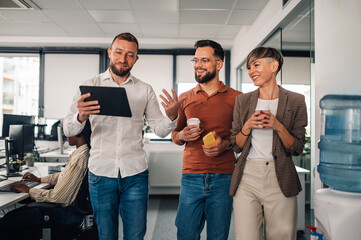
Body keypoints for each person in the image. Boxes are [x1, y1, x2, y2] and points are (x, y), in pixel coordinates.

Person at [63, 32, 183, 240]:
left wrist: (172, 117)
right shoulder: (90, 86)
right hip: (101, 173)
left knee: (135, 235)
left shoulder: (144, 90)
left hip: (135, 173)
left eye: (129, 54)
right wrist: (81, 116)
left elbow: (159, 129)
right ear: (110, 53)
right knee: (105, 235)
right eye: (118, 52)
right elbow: (68, 130)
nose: (123, 58)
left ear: (136, 58)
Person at [229, 47, 307, 240]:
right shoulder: (243, 101)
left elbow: (297, 148)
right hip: (247, 176)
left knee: (282, 236)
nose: (251, 71)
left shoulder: (296, 100)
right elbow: (236, 145)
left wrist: (278, 126)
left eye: (256, 64)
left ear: (274, 66)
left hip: (280, 175)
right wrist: (247, 127)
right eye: (249, 67)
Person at [171, 39, 242, 240]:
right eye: (195, 60)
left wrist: (225, 145)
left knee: (218, 236)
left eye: (204, 60)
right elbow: (175, 135)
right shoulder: (184, 97)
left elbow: (244, 139)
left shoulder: (238, 98)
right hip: (191, 176)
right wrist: (182, 135)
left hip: (224, 177)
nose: (198, 65)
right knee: (185, 234)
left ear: (219, 64)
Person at [0, 120, 91, 240]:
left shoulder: (82, 156)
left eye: (69, 131)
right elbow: (64, 176)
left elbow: (58, 196)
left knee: (6, 221)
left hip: (64, 214)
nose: (66, 134)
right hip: (67, 210)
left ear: (79, 132)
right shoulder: (81, 153)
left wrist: (29, 190)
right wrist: (39, 179)